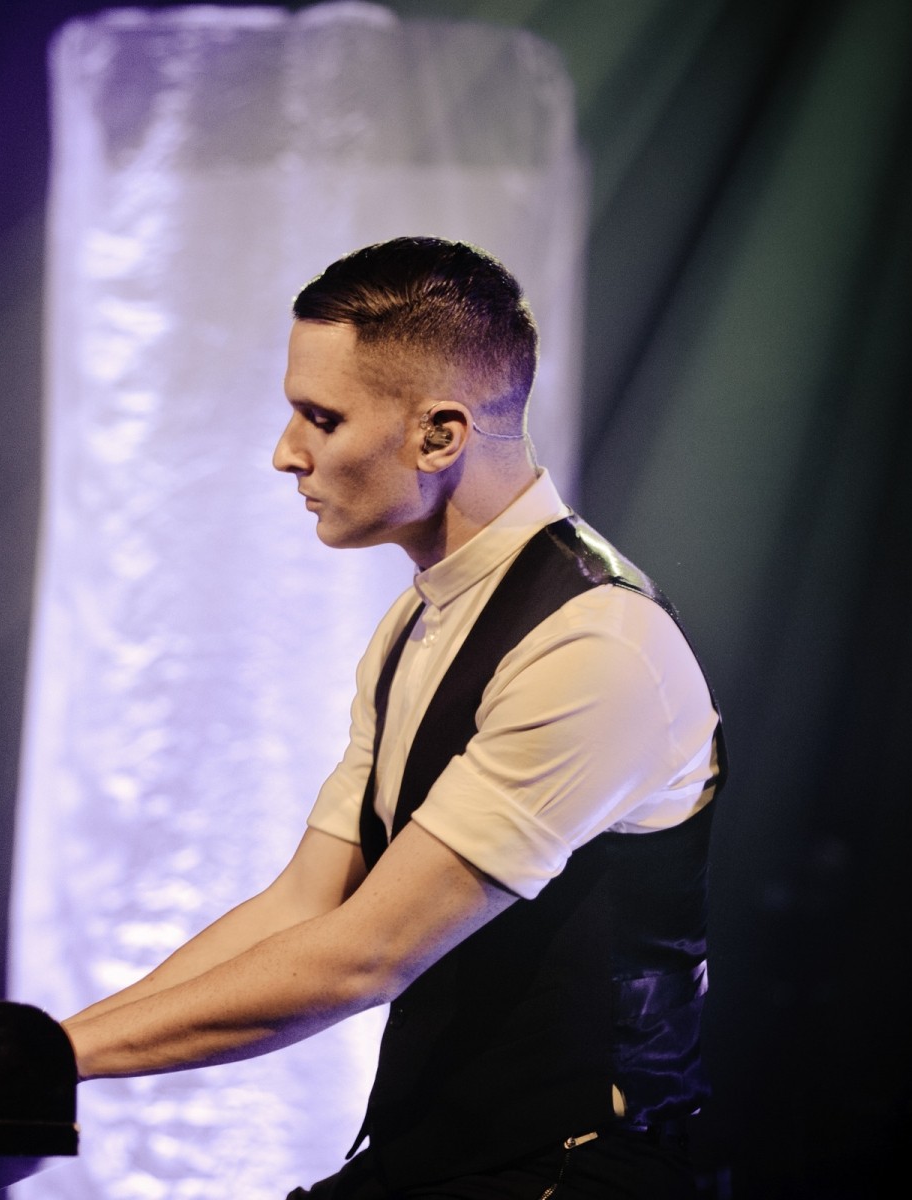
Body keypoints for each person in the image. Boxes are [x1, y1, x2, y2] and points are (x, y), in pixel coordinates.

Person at [60, 236, 725, 1199]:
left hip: (581, 1174)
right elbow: (303, 905)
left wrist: (46, 1061)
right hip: (445, 1164)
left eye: (320, 418)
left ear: (440, 435)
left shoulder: (595, 647)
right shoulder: (417, 622)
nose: (286, 453)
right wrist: (41, 1047)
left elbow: (358, 955)